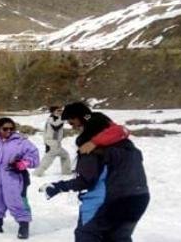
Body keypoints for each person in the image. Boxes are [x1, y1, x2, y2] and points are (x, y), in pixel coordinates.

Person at [41, 102, 149, 242]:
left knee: (87, 236)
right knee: (118, 238)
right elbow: (120, 130)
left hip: (107, 202)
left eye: (71, 121)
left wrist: (59, 186)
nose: (71, 125)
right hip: (139, 199)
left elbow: (86, 180)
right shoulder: (128, 145)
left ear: (80, 118)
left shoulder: (90, 147)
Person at [34, 106, 72, 176]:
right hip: (52, 143)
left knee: (65, 155)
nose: (60, 112)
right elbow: (56, 126)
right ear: (53, 112)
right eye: (58, 111)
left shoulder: (56, 118)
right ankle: (37, 173)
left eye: (61, 110)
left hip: (55, 143)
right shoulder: (51, 119)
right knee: (48, 159)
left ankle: (66, 172)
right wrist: (63, 118)